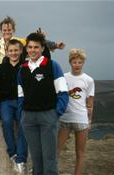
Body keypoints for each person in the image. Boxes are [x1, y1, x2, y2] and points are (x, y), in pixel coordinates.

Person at [18, 33, 69, 175]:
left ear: (42, 48)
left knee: (49, 158)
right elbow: (20, 95)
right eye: (30, 47)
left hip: (48, 116)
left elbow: (63, 93)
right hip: (28, 119)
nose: (32, 50)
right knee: (36, 158)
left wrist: (55, 113)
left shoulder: (52, 65)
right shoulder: (23, 69)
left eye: (36, 47)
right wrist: (22, 114)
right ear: (26, 49)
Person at [0, 39, 27, 174]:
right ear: (7, 51)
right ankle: (13, 154)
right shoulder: (1, 68)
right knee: (6, 122)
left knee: (24, 125)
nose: (14, 53)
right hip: (6, 102)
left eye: (16, 50)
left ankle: (21, 160)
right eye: (11, 50)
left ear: (21, 51)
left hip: (22, 102)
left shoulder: (26, 67)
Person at [58, 48, 94, 175]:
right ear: (70, 62)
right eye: (74, 62)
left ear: (83, 63)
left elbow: (90, 103)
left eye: (79, 62)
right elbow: (58, 96)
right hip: (64, 119)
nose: (77, 65)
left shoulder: (88, 80)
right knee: (56, 151)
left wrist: (89, 121)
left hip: (81, 120)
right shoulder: (63, 78)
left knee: (80, 153)